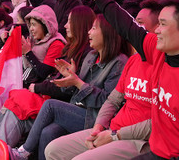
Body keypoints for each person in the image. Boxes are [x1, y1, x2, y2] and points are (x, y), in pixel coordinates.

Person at [76, 0, 179, 160]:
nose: (156, 30)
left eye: (163, 24)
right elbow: (127, 27)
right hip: (155, 151)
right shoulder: (159, 52)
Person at [44, 9, 160, 160]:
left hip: (135, 139)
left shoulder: (126, 62)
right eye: (134, 23)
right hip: (108, 125)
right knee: (53, 148)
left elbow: (159, 122)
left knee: (50, 107)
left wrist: (113, 135)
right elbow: (112, 100)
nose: (134, 30)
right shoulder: (127, 60)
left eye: (140, 24)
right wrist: (98, 128)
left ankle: (22, 152)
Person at [9, 15, 129, 160]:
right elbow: (75, 91)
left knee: (50, 105)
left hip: (96, 118)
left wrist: (77, 82)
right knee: (48, 132)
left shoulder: (120, 63)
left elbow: (107, 101)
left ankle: (23, 152)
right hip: (78, 109)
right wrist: (69, 78)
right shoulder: (91, 56)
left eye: (94, 28)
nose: (89, 32)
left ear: (107, 33)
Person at [0, 7, 95, 146]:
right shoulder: (70, 47)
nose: (65, 25)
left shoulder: (59, 44)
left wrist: (29, 55)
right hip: (47, 91)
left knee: (17, 106)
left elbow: (46, 74)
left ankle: (0, 150)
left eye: (33, 25)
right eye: (29, 24)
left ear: (45, 24)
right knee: (12, 102)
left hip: (51, 96)